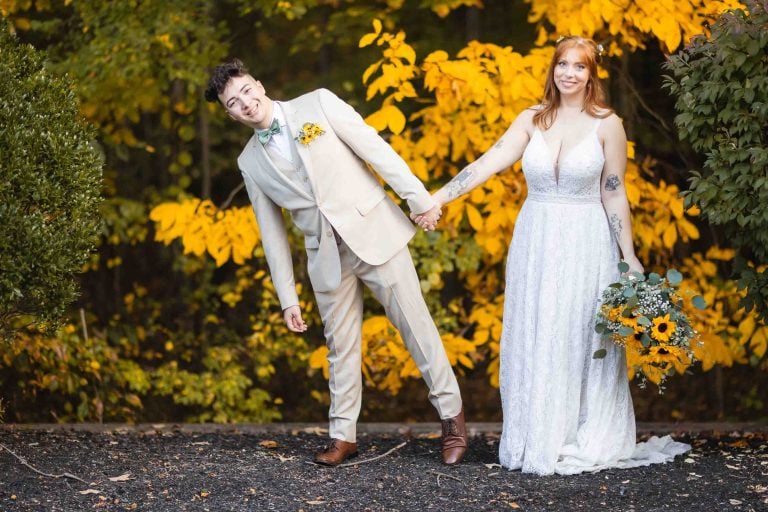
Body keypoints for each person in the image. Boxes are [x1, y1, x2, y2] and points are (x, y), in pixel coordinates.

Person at [414, 37, 689, 475]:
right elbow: (489, 162)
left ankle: (581, 432)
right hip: (536, 238)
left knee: (579, 332)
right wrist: (437, 198)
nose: (569, 73)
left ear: (591, 74)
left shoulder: (608, 124)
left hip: (587, 239)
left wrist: (629, 257)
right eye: (562, 64)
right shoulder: (532, 120)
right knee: (538, 329)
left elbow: (614, 192)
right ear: (553, 69)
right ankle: (538, 435)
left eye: (579, 67)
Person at [204, 59, 467, 466]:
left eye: (246, 92)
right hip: (325, 258)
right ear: (230, 113)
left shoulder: (318, 105)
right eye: (234, 103)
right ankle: (343, 435)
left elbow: (376, 149)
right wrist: (288, 298)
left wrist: (417, 200)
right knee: (339, 348)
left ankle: (453, 420)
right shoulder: (249, 163)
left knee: (417, 328)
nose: (246, 103)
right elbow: (271, 234)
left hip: (375, 232)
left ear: (258, 83)